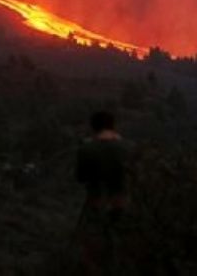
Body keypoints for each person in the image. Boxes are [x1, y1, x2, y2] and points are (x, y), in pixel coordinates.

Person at [75, 111, 130, 272]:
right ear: (113, 126)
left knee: (93, 251)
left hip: (96, 203)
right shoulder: (128, 147)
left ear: (93, 127)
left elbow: (80, 178)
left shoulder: (86, 149)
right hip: (123, 202)